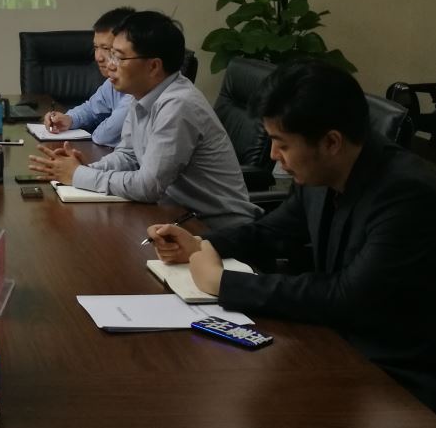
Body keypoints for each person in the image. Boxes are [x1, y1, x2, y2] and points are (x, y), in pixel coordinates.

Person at [147, 60, 436, 411]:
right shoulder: (322, 169)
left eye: (281, 144)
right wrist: (202, 244)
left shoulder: (407, 194)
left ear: (331, 142)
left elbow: (349, 297)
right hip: (330, 341)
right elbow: (272, 230)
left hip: (393, 375)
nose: (273, 156)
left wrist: (223, 283)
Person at [30, 10, 259, 229]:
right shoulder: (140, 94)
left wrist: (80, 175)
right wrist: (83, 169)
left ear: (153, 66)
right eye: (111, 54)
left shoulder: (178, 104)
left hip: (217, 230)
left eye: (119, 57)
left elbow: (148, 186)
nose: (110, 64)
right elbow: (128, 155)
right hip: (176, 216)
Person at [41, 6, 135, 147]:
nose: (98, 57)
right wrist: (69, 119)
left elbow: (104, 135)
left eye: (106, 48)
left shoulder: (138, 89)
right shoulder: (112, 82)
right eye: (96, 48)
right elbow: (91, 108)